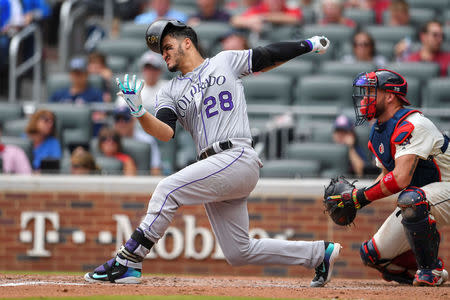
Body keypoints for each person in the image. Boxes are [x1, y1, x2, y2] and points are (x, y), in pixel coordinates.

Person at [84, 19, 340, 288]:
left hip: (236, 155)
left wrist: (308, 45)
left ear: (187, 42)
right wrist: (140, 113)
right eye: (161, 50)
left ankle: (129, 260)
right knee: (238, 252)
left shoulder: (224, 61)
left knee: (168, 189)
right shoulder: (168, 91)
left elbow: (268, 55)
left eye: (167, 46)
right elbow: (165, 132)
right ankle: (317, 254)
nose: (164, 54)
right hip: (215, 167)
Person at [326, 69, 450, 286]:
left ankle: (430, 271)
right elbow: (386, 177)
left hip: (445, 188)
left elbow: (400, 179)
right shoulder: (379, 131)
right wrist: (354, 198)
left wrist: (360, 198)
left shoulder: (413, 123)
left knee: (411, 200)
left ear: (390, 96)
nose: (365, 98)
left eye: (371, 92)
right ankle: (433, 267)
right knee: (373, 255)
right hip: (425, 196)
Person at [113, 106, 162, 175]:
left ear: (133, 121)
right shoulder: (108, 140)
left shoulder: (147, 141)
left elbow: (155, 169)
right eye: (118, 119)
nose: (122, 123)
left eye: (126, 119)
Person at [231, 0, 302, 34]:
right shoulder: (260, 8)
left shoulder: (290, 8)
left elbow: (295, 18)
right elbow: (235, 20)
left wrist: (263, 18)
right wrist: (250, 22)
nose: (274, 2)